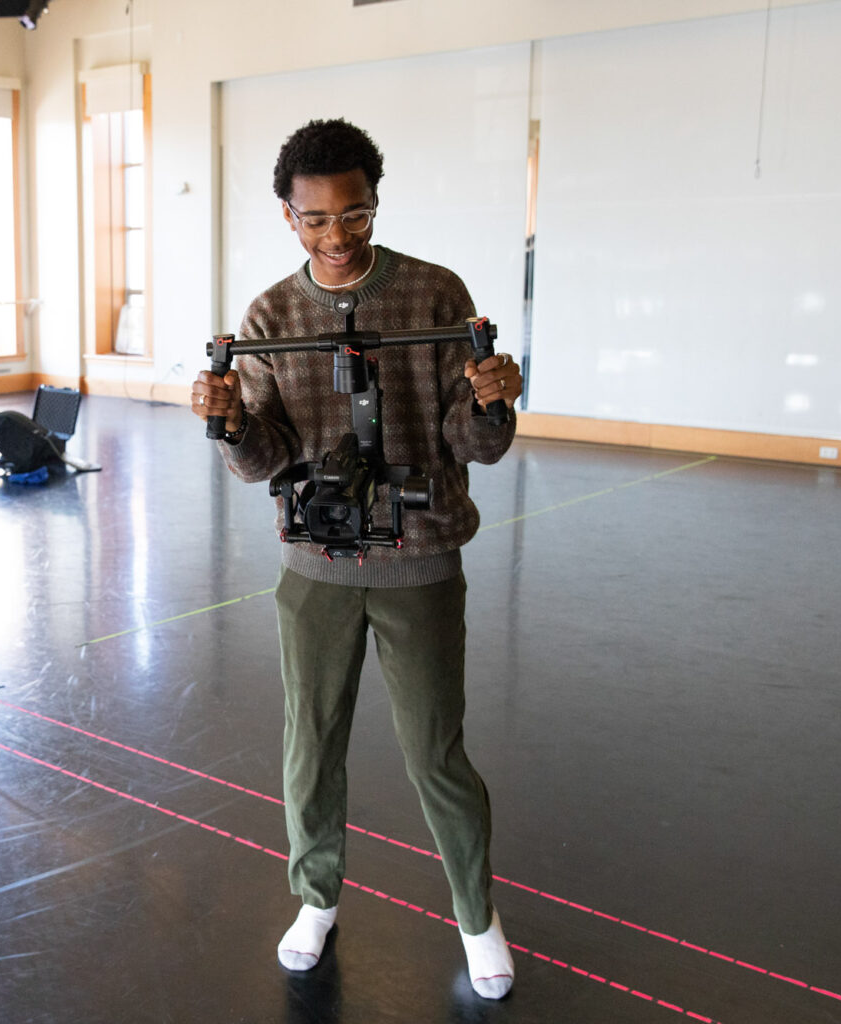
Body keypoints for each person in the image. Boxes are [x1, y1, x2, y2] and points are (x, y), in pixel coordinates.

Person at [189, 118, 525, 999]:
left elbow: (474, 446)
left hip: (420, 563)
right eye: (314, 219)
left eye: (354, 214)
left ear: (375, 203)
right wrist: (228, 423)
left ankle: (476, 917)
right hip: (315, 569)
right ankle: (315, 899)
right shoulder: (269, 316)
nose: (335, 236)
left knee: (435, 754)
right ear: (287, 215)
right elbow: (262, 460)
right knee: (310, 745)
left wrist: (490, 405)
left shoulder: (435, 295)